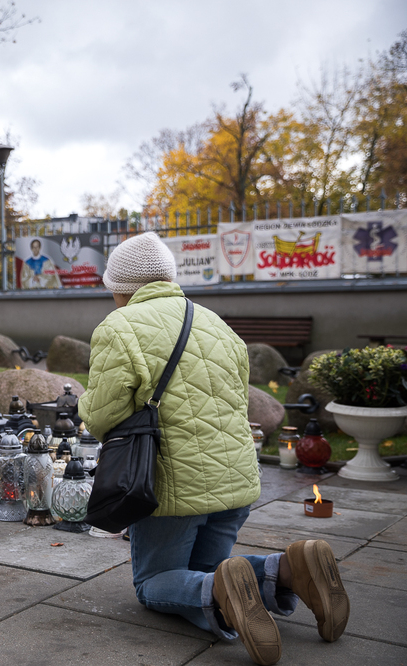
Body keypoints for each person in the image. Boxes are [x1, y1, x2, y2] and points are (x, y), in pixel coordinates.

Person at [77, 232, 349, 666]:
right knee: (213, 572)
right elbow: (236, 403)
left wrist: (82, 402)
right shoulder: (216, 324)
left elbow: (104, 416)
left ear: (120, 286)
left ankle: (218, 592)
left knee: (153, 584)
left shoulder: (119, 326)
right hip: (235, 480)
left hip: (172, 488)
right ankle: (288, 569)